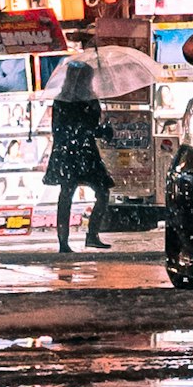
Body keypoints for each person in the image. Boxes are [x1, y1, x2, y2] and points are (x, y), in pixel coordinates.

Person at [43, 25, 113, 256]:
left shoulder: (62, 101)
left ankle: (65, 240)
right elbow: (88, 128)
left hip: (67, 150)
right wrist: (103, 130)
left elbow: (62, 129)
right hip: (83, 150)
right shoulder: (85, 100)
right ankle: (89, 234)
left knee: (68, 193)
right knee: (100, 191)